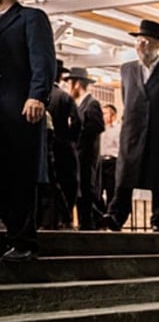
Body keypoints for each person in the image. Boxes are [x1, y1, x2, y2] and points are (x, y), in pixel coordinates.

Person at [102, 19, 159, 232]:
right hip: (133, 129)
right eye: (139, 41)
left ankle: (158, 220)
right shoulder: (127, 69)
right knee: (125, 174)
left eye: (147, 42)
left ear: (157, 45)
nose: (142, 46)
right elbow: (126, 96)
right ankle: (116, 216)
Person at [0, 0, 56, 262]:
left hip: (18, 109)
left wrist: (37, 95)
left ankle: (23, 241)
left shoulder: (30, 18)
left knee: (17, 175)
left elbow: (43, 61)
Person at [64, 67, 104, 230]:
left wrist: (78, 138)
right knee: (82, 191)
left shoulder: (92, 104)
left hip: (87, 155)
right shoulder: (79, 104)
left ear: (77, 84)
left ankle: (89, 224)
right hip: (80, 155)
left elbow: (97, 126)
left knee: (88, 191)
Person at [43, 60, 80, 229]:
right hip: (63, 146)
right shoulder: (65, 97)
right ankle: (64, 218)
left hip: (43, 146)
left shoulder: (40, 94)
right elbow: (77, 122)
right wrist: (70, 139)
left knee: (48, 182)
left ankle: (47, 219)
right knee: (66, 183)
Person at [97, 104, 120, 211]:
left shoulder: (118, 130)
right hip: (100, 162)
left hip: (112, 162)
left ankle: (110, 214)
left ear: (113, 115)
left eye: (105, 113)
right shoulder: (100, 129)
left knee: (111, 190)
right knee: (98, 190)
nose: (102, 116)